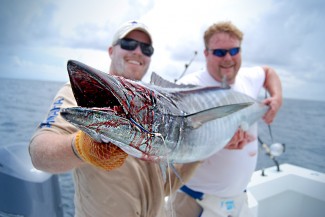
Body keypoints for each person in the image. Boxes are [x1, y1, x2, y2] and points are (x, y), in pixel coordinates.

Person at [29, 20, 198, 217]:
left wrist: (199, 157)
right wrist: (82, 147)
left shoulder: (157, 108)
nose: (137, 51)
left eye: (146, 48)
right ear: (111, 50)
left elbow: (165, 187)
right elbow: (39, 152)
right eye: (128, 43)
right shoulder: (75, 92)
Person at [171, 21, 283, 217]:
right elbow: (175, 147)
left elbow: (268, 72)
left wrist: (276, 98)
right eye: (220, 53)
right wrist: (219, 143)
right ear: (206, 53)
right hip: (195, 201)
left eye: (234, 50)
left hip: (239, 201)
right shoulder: (186, 88)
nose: (228, 58)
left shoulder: (247, 77)